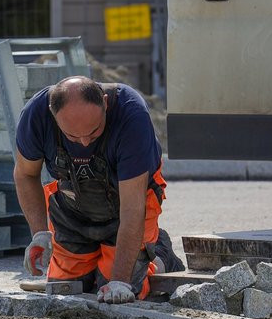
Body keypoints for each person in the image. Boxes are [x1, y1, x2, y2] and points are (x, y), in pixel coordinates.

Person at [14, 75, 184, 304]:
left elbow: (133, 209)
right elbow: (25, 174)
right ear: (53, 115)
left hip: (126, 207)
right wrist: (40, 234)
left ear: (104, 103)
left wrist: (120, 281)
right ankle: (101, 265)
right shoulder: (36, 115)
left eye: (94, 132)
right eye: (72, 137)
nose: (85, 142)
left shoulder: (131, 114)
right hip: (72, 209)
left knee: (120, 290)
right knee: (67, 289)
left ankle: (160, 253)